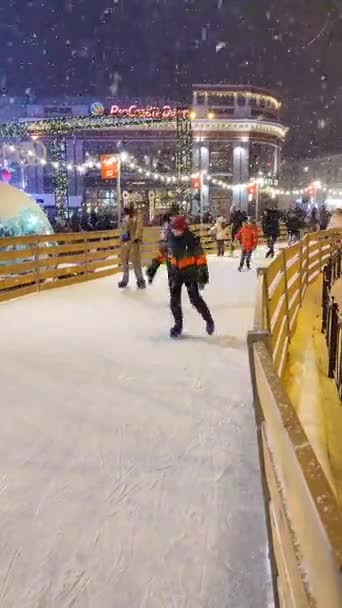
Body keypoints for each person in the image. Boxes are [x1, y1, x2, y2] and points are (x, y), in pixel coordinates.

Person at [147, 215, 214, 338]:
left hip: (190, 273)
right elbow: (162, 254)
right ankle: (178, 325)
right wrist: (153, 267)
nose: (174, 231)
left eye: (177, 229)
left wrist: (202, 272)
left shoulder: (191, 239)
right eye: (173, 229)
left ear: (183, 228)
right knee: (174, 302)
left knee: (195, 299)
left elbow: (200, 256)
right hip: (175, 274)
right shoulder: (169, 238)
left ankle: (209, 320)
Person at [118, 205, 146, 289]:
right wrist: (122, 236)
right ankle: (125, 280)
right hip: (125, 242)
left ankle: (140, 280)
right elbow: (122, 228)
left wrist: (137, 238)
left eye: (128, 210)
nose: (127, 212)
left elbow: (139, 228)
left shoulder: (137, 217)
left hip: (134, 242)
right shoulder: (125, 218)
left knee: (136, 262)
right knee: (124, 262)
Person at [146, 212, 174, 284]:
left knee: (160, 259)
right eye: (172, 217)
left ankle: (151, 272)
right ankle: (172, 280)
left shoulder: (164, 224)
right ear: (170, 218)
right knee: (170, 262)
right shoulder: (170, 225)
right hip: (167, 245)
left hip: (161, 245)